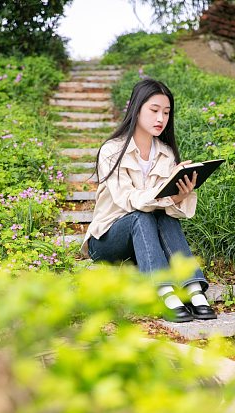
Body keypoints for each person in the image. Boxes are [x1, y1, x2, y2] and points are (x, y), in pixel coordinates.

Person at [81, 78, 217, 323]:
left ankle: (194, 290)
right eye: (154, 110)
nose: (161, 119)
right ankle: (163, 291)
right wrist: (165, 197)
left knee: (160, 215)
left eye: (166, 112)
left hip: (143, 242)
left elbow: (171, 211)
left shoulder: (165, 153)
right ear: (136, 108)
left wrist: (178, 195)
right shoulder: (111, 151)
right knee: (142, 216)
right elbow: (129, 200)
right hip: (107, 241)